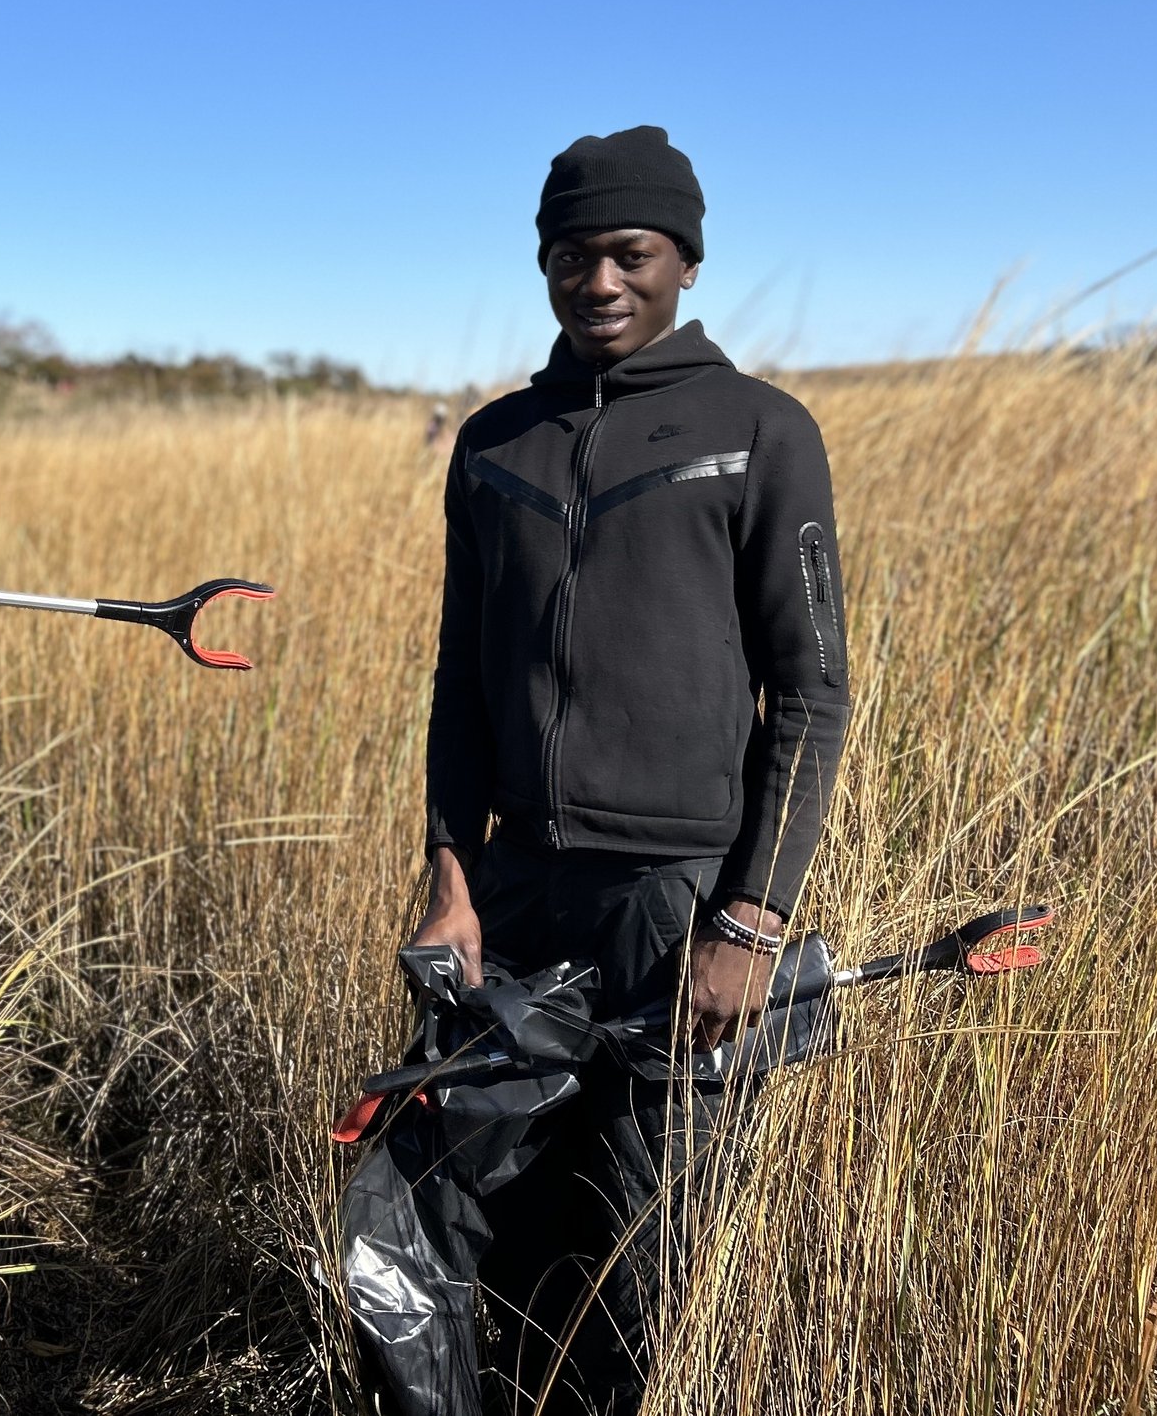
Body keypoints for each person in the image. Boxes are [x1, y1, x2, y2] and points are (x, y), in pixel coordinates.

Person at [409, 126, 851, 1414]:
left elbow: (812, 694)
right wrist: (451, 876)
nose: (597, 280)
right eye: (570, 255)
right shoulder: (495, 442)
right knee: (484, 1229)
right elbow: (458, 681)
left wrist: (751, 919)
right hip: (515, 891)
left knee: (646, 1251)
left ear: (684, 264)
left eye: (628, 253)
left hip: (679, 901)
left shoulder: (760, 431)